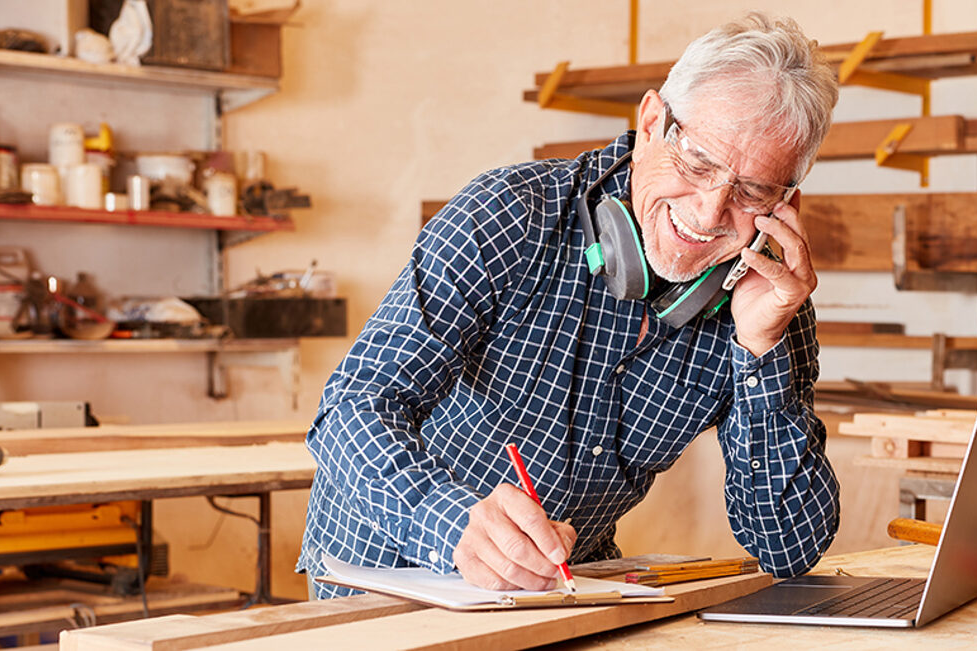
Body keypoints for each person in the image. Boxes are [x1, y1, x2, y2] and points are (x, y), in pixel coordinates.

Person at [298, 12, 841, 598]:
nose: (710, 214)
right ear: (652, 121)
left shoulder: (770, 296)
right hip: (389, 570)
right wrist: (453, 523)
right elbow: (351, 407)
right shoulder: (509, 214)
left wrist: (760, 350)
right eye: (698, 162)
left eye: (751, 190)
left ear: (786, 200)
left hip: (562, 588)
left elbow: (791, 546)